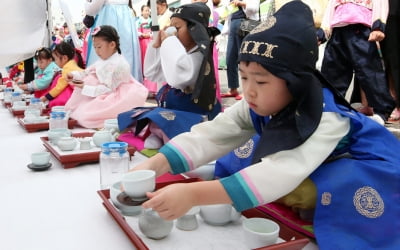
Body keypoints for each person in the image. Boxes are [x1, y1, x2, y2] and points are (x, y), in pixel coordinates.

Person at [131, 1, 400, 249]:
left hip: (362, 164)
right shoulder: (258, 102)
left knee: (299, 185)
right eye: (244, 77)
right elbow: (215, 134)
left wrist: (193, 195)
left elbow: (281, 172)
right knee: (244, 153)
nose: (249, 91)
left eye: (260, 81)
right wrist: (159, 163)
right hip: (307, 160)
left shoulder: (325, 117)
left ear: (296, 81)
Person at [320, 0, 395, 123]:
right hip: (338, 29)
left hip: (360, 27)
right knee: (332, 72)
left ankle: (382, 110)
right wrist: (323, 31)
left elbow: (380, 2)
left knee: (369, 70)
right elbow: (331, 5)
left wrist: (378, 25)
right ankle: (330, 108)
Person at [143, 2, 222, 119]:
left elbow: (180, 77)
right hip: (178, 110)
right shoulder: (181, 51)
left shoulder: (199, 54)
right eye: (171, 27)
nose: (173, 32)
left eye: (177, 28)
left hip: (193, 115)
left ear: (194, 29)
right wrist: (157, 47)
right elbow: (152, 73)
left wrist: (169, 42)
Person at [64, 25, 148, 129]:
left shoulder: (119, 64)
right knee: (89, 80)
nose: (96, 51)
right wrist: (73, 75)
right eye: (95, 47)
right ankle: (78, 109)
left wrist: (85, 87)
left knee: (85, 116)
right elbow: (87, 71)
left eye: (99, 47)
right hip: (99, 91)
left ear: (112, 44)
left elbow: (109, 89)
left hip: (115, 96)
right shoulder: (104, 60)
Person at [84, 0, 142, 82]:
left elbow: (92, 9)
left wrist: (86, 3)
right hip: (126, 19)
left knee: (104, 53)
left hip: (109, 17)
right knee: (127, 55)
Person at [223, 0, 259, 99]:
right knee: (230, 58)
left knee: (246, 59)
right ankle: (233, 88)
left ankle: (248, 91)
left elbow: (255, 8)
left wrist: (241, 3)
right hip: (233, 25)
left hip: (247, 22)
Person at [40, 42, 85, 108]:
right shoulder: (72, 64)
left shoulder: (67, 68)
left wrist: (46, 97)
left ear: (64, 58)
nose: (55, 62)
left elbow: (59, 87)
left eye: (55, 59)